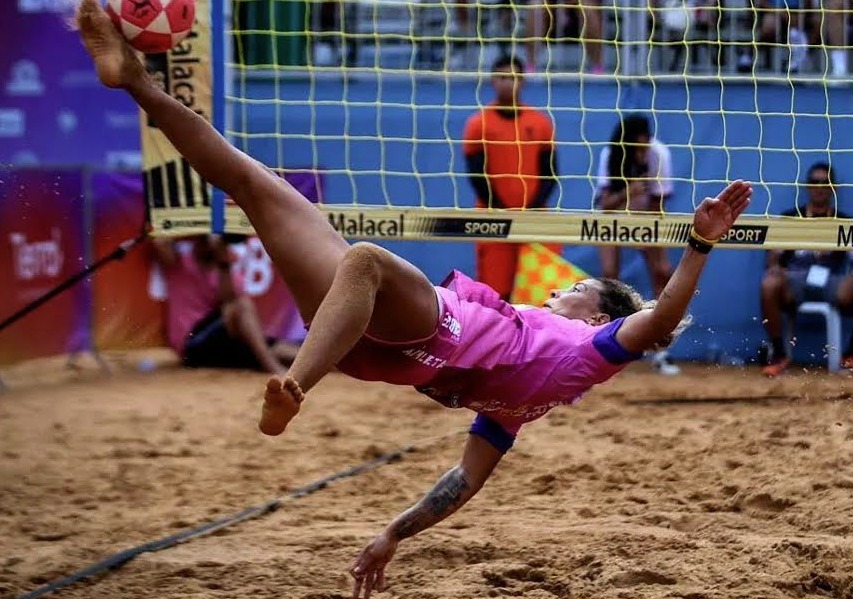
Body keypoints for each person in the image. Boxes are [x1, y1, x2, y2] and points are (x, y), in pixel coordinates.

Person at [74, 2, 750, 594]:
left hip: (422, 332)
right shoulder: (517, 407)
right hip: (364, 340)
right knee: (254, 185)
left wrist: (698, 242)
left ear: (600, 316)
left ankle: (294, 386)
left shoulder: (588, 350)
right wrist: (392, 534)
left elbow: (661, 318)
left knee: (366, 257)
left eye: (575, 287)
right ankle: (135, 80)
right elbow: (463, 481)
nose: (559, 285)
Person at [759, 162, 853, 376]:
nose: (819, 187)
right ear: (807, 186)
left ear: (833, 188)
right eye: (814, 182)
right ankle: (779, 354)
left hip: (832, 280)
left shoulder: (845, 222)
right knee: (769, 283)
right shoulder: (789, 218)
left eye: (825, 183)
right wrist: (775, 266)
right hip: (795, 280)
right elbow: (772, 259)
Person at [463, 55, 558, 301]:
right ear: (492, 81)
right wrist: (502, 211)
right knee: (495, 293)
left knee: (541, 293)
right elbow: (476, 175)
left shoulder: (540, 122)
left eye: (513, 77)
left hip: (535, 218)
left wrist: (531, 210)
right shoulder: (478, 124)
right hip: (493, 219)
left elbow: (550, 174)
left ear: (522, 81)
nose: (508, 82)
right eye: (502, 77)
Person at [152, 234, 299, 374]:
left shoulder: (227, 269)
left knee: (271, 346)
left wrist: (223, 262)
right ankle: (271, 367)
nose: (207, 243)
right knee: (243, 307)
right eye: (204, 238)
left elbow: (228, 302)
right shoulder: (179, 263)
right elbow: (160, 240)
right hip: (191, 343)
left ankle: (307, 364)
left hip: (218, 341)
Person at [594, 114, 675, 297]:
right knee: (609, 275)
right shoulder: (611, 153)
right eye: (637, 149)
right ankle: (614, 313)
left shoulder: (659, 154)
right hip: (613, 215)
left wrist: (645, 233)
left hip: (646, 215)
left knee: (662, 271)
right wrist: (628, 192)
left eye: (644, 148)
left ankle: (664, 313)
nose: (642, 154)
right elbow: (605, 205)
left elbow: (658, 204)